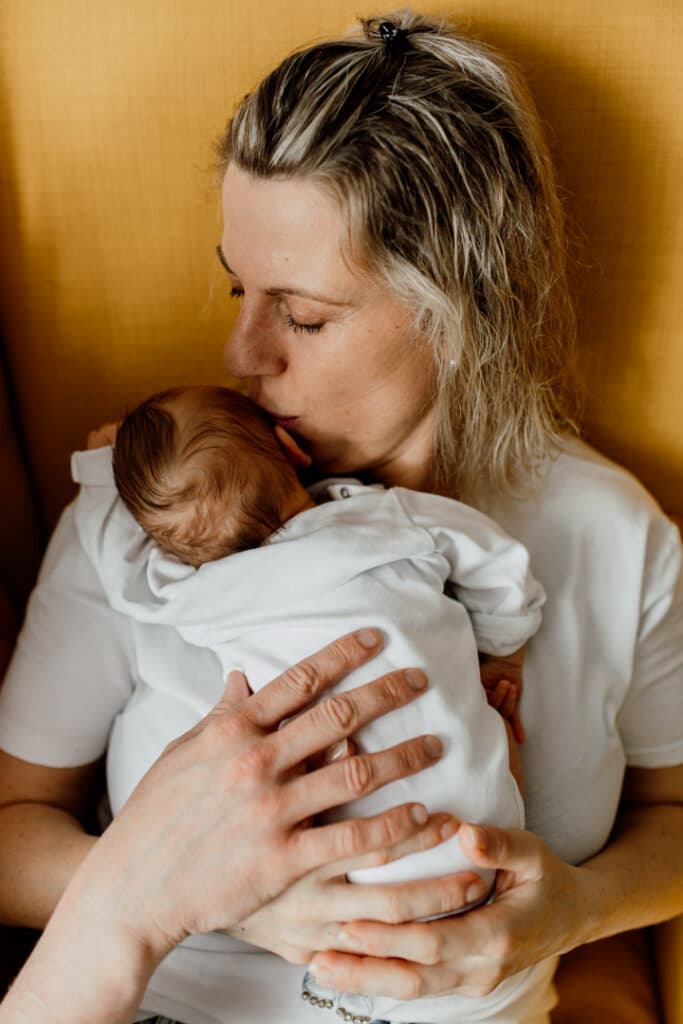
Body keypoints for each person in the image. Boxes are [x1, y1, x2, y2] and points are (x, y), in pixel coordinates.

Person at [0, 8, 681, 1024]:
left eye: (303, 315)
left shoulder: (613, 538)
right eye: (237, 286)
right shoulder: (160, 500)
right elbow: (9, 831)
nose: (241, 353)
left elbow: (671, 817)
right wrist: (210, 900)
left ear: (460, 308)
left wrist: (575, 908)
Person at [71, 380, 543, 1020]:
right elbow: (499, 563)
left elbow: (119, 567)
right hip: (475, 845)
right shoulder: (386, 519)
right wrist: (504, 647)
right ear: (290, 449)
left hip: (333, 877)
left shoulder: (190, 595)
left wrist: (102, 476)